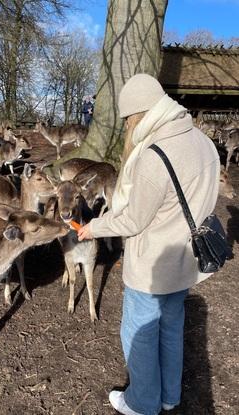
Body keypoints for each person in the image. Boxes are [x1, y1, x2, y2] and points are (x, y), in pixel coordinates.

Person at [78, 74, 220, 415]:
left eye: (128, 119)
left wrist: (93, 227)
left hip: (153, 266)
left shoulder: (154, 156)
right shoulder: (203, 142)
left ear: (139, 115)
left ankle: (142, 403)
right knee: (171, 327)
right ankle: (169, 396)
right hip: (186, 261)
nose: (127, 126)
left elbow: (132, 220)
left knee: (140, 333)